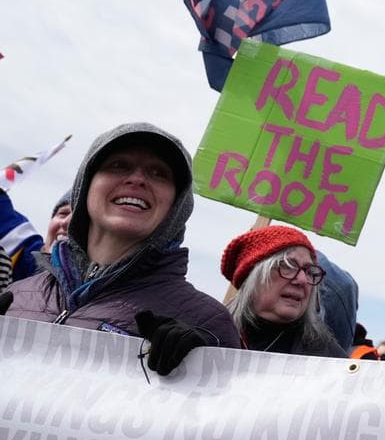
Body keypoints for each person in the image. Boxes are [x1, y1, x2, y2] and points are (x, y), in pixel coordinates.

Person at [1, 123, 241, 374]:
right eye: (118, 165)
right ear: (85, 187)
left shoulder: (207, 323)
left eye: (159, 173)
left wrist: (206, 368)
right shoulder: (16, 295)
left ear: (177, 205)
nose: (137, 179)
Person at [221, 225, 347, 357]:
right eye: (288, 266)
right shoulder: (208, 334)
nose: (302, 280)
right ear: (253, 276)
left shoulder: (329, 360)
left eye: (310, 271)